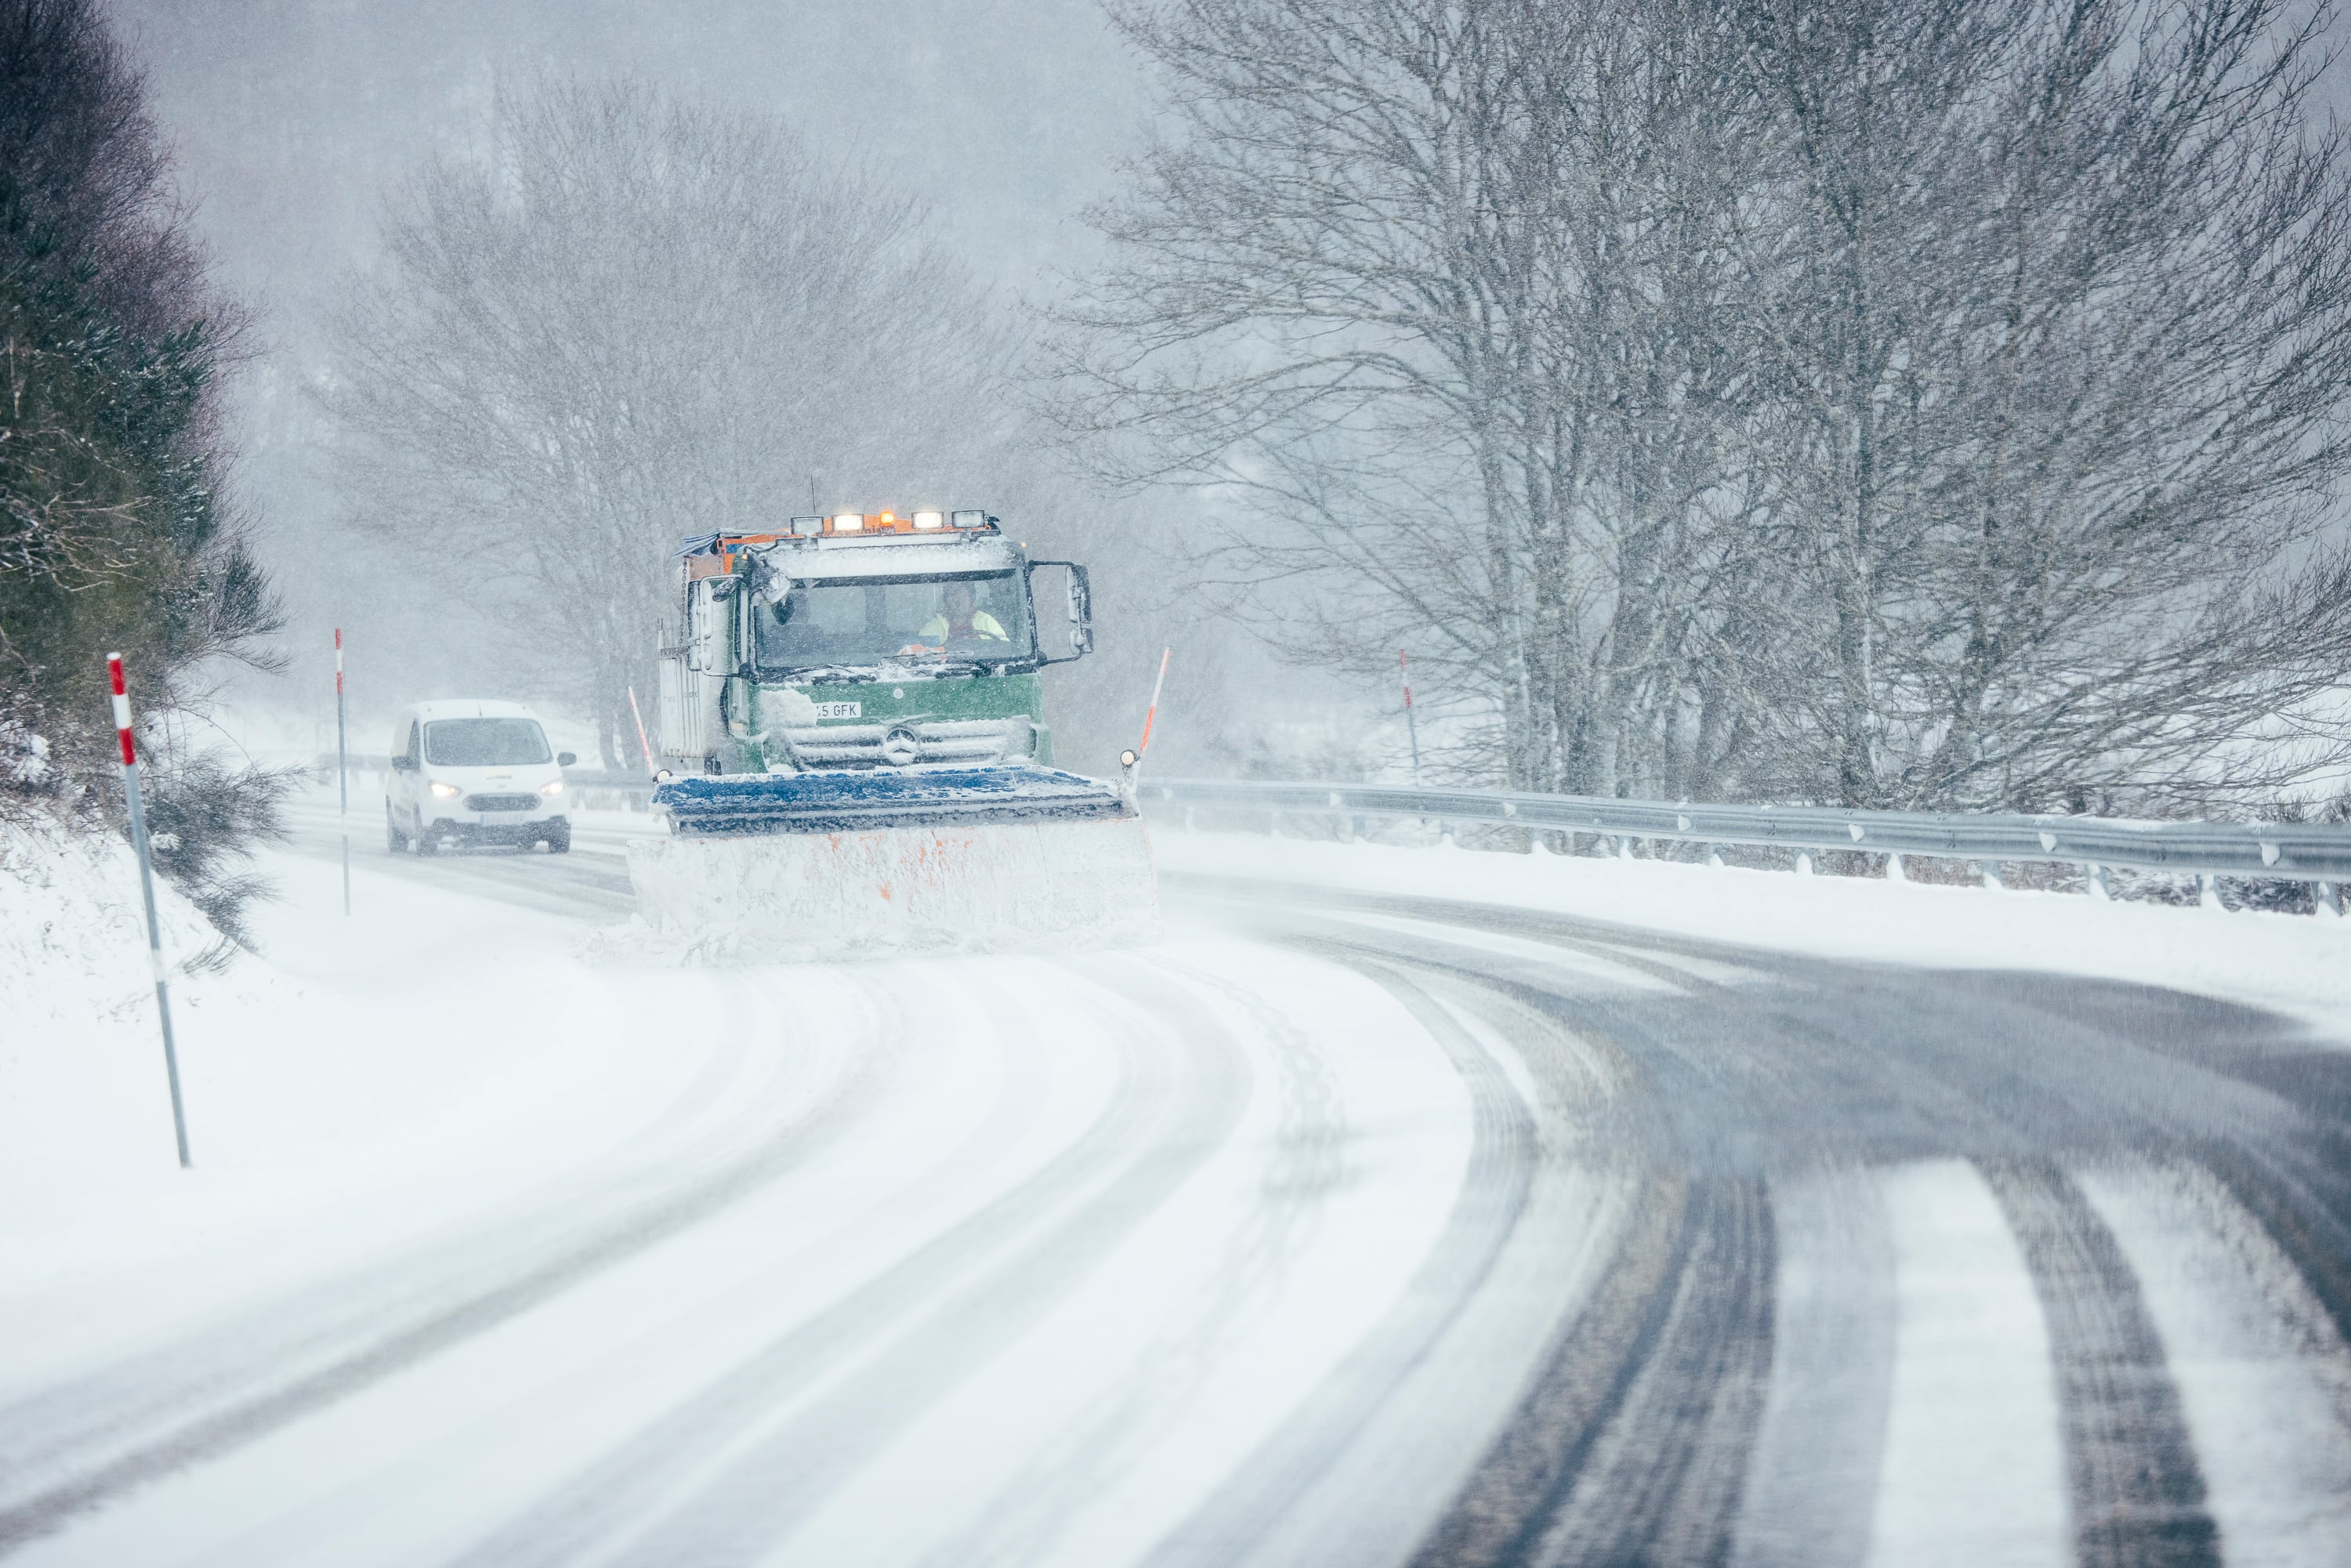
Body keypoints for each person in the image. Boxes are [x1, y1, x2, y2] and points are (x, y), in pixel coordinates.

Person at [917, 581, 1009, 644]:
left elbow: (1004, 648)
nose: (959, 602)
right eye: (953, 597)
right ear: (946, 601)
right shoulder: (936, 625)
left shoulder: (986, 620)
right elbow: (919, 651)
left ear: (971, 598)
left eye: (963, 596)